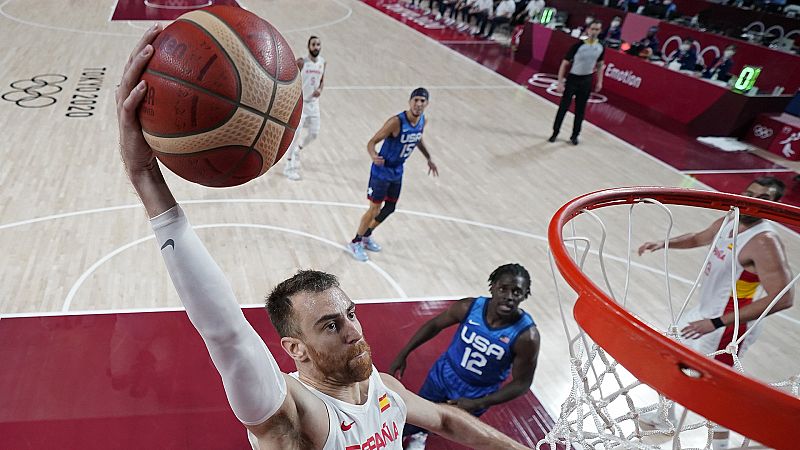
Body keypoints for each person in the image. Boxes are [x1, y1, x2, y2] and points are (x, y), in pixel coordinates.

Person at [117, 25, 532, 450]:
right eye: (331, 325)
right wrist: (146, 176)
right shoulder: (296, 413)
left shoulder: (383, 389)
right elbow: (226, 332)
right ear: (295, 348)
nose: (354, 331)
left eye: (349, 314)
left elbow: (446, 417)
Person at [637, 176, 794, 450]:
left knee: (714, 391)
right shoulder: (731, 218)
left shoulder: (765, 242)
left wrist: (716, 322)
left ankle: (718, 446)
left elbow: (783, 298)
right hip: (706, 312)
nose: (752, 200)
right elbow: (699, 237)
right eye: (749, 192)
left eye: (764, 198)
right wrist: (664, 243)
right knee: (672, 357)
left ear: (774, 205)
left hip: (730, 324)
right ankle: (664, 417)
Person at [389, 264, 540, 450]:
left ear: (525, 295)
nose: (509, 296)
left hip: (477, 392)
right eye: (503, 289)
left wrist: (480, 402)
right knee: (418, 412)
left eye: (516, 292)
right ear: (492, 287)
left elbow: (522, 383)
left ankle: (422, 433)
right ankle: (411, 433)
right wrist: (404, 354)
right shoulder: (468, 307)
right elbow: (434, 325)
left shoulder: (527, 337)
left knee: (448, 424)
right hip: (444, 374)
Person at [346, 88, 439, 262]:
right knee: (374, 209)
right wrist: (373, 155)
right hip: (382, 171)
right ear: (410, 102)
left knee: (390, 208)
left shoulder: (422, 121)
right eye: (416, 100)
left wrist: (428, 158)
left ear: (427, 104)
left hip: (398, 170)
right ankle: (355, 241)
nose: (419, 104)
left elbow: (417, 138)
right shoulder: (396, 122)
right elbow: (371, 142)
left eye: (422, 101)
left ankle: (366, 235)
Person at [548, 20, 605, 146]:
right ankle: (555, 132)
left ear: (600, 31)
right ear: (588, 30)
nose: (594, 32)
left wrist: (599, 81)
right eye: (593, 29)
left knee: (580, 110)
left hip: (586, 80)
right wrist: (560, 82)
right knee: (563, 108)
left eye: (597, 29)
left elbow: (600, 65)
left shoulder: (601, 47)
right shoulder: (578, 46)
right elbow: (564, 64)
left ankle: (575, 135)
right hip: (573, 79)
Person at [283, 36, 327, 181]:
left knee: (314, 133)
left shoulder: (322, 62)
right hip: (300, 105)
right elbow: (289, 78)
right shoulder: (301, 62)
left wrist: (320, 90)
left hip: (314, 105)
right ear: (309, 46)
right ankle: (289, 167)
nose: (316, 47)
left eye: (318, 44)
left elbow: (321, 81)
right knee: (295, 136)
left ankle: (298, 150)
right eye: (313, 44)